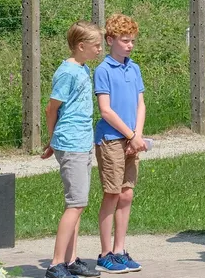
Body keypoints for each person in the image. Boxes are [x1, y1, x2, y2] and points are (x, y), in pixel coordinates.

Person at [42, 22, 104, 278]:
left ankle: (71, 260)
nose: (100, 49)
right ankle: (56, 264)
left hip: (82, 142)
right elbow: (51, 108)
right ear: (81, 46)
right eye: (96, 45)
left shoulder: (82, 69)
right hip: (71, 143)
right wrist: (52, 138)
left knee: (78, 203)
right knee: (75, 205)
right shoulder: (67, 72)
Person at [93, 14, 146, 274]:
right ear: (110, 40)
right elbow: (106, 110)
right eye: (125, 40)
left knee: (127, 194)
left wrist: (137, 135)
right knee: (112, 194)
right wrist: (129, 135)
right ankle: (104, 253)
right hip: (111, 139)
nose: (129, 45)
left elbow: (140, 103)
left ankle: (119, 249)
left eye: (132, 41)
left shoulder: (134, 68)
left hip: (130, 139)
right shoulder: (103, 70)